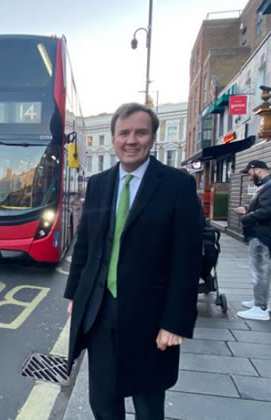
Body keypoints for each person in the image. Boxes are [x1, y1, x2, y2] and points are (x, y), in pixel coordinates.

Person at [64, 103, 202, 420]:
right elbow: (85, 243)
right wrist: (75, 293)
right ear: (113, 138)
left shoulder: (177, 185)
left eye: (140, 132)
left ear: (152, 138)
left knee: (148, 403)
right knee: (102, 400)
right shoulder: (98, 184)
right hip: (101, 309)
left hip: (151, 315)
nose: (131, 140)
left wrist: (175, 322)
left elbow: (187, 258)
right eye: (123, 133)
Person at [234, 160, 271, 321]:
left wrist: (246, 217)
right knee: (260, 269)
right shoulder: (269, 185)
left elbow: (268, 211)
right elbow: (265, 208)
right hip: (261, 232)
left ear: (257, 170)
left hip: (262, 233)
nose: (250, 177)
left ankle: (260, 307)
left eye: (249, 173)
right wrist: (248, 209)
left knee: (260, 270)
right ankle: (260, 301)